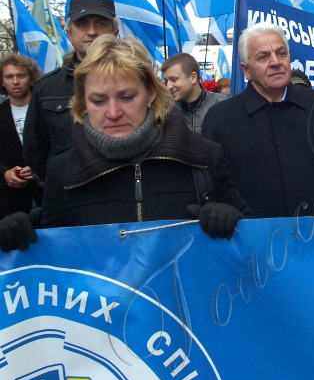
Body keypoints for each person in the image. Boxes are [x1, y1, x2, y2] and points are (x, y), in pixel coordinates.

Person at [0, 36, 254, 252]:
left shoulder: (203, 156)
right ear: (83, 102)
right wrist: (26, 235)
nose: (113, 113)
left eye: (126, 97)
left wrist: (233, 222)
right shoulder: (62, 170)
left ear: (151, 93)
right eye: (98, 101)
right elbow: (56, 264)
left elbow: (255, 237)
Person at [202, 23, 314, 219]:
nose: (275, 62)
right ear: (246, 70)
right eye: (263, 57)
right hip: (254, 242)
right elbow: (211, 187)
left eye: (281, 53)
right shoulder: (220, 118)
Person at [23, 0, 119, 182]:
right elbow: (35, 151)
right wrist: (58, 187)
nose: (91, 32)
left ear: (115, 33)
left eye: (100, 23)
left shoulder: (140, 83)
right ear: (69, 33)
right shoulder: (46, 88)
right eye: (82, 23)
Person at [0, 54, 43, 219]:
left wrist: (39, 168)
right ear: (3, 81)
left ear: (31, 79)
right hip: (12, 202)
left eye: (21, 75)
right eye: (9, 77)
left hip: (47, 195)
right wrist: (5, 173)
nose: (15, 81)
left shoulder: (45, 109)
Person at [161, 53, 228, 134]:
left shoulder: (224, 106)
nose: (169, 86)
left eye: (174, 79)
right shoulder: (165, 109)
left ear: (193, 78)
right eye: (166, 81)